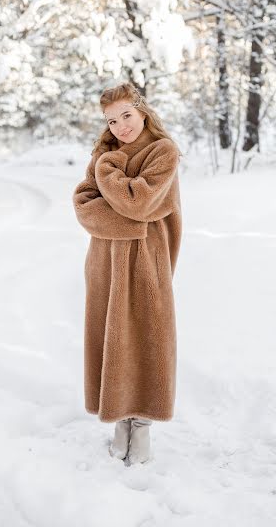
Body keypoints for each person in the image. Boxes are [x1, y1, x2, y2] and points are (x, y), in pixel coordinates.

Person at [72, 82, 182, 464]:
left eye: (126, 116)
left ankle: (143, 430)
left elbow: (139, 202)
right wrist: (129, 218)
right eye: (111, 120)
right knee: (111, 340)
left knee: (144, 338)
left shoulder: (161, 152)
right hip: (104, 264)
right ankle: (120, 423)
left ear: (143, 111)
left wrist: (109, 174)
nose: (120, 127)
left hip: (145, 263)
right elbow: (84, 205)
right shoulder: (105, 153)